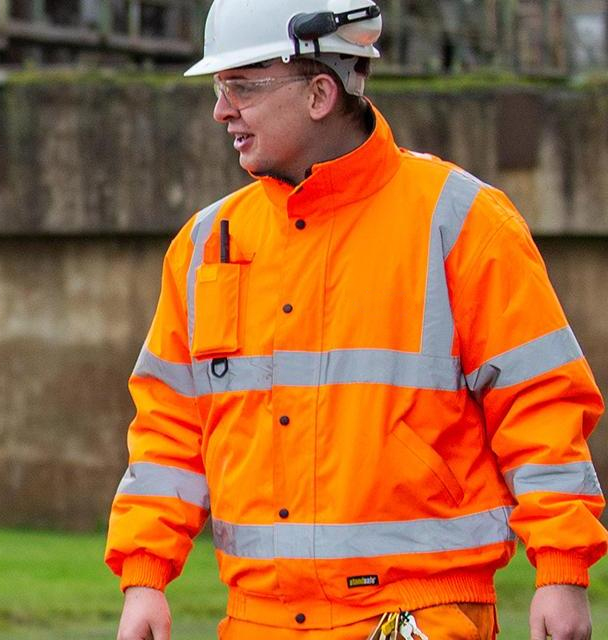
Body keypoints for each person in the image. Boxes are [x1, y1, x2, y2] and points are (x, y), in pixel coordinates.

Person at [107, 2, 605, 639]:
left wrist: (562, 570)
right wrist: (144, 578)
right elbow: (167, 431)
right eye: (218, 87)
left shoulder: (462, 221)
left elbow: (541, 406)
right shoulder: (207, 243)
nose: (221, 110)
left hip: (421, 613)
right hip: (258, 622)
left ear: (320, 92)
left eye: (241, 86)